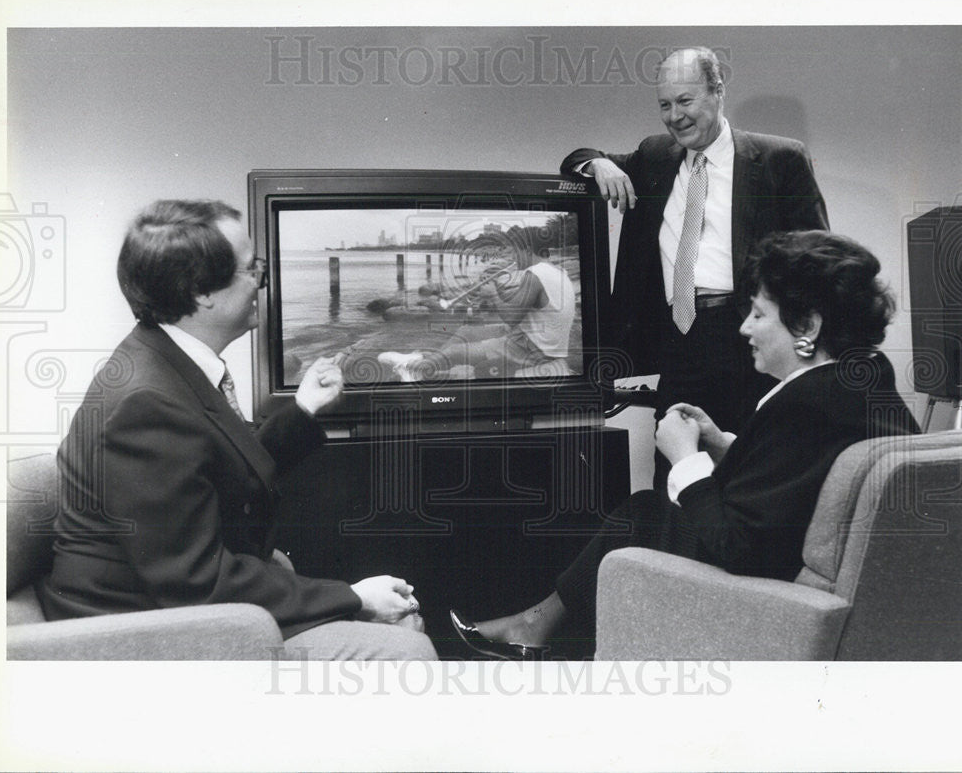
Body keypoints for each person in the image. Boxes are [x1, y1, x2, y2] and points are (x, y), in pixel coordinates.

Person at [451, 230, 919, 659]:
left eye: (758, 314)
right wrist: (723, 445)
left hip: (772, 601)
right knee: (646, 511)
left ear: (808, 327)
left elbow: (736, 548)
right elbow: (802, 480)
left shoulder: (805, 404)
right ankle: (536, 627)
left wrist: (686, 458)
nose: (744, 330)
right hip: (828, 596)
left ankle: (534, 629)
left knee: (644, 513)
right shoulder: (862, 384)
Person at [41, 199, 437, 660]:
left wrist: (304, 407)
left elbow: (220, 460)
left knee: (390, 620)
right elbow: (196, 582)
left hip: (167, 600)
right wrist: (355, 597)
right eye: (253, 269)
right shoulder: (144, 404)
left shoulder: (163, 362)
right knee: (406, 650)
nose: (261, 281)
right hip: (135, 634)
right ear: (200, 291)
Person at [561, 46, 829, 484]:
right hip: (679, 341)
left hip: (749, 339)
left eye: (685, 101)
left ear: (717, 92)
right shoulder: (654, 156)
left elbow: (819, 260)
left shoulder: (780, 159)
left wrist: (803, 346)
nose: (674, 116)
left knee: (751, 471)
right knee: (675, 472)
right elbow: (576, 159)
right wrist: (599, 163)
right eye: (664, 105)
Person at [377, 236, 576, 380]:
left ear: (526, 250)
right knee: (466, 330)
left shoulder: (534, 274)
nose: (515, 257)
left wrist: (492, 294)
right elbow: (520, 304)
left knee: (455, 351)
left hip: (531, 347)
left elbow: (512, 317)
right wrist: (496, 287)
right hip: (537, 339)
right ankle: (423, 360)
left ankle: (413, 370)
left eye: (516, 251)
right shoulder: (558, 272)